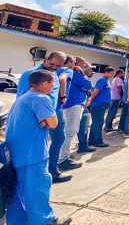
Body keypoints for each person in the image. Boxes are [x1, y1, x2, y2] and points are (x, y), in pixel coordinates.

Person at [6, 70, 71, 225]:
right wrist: (46, 121)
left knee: (18, 191)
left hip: (17, 152)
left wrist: (45, 121)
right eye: (52, 84)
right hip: (33, 153)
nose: (52, 88)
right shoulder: (41, 98)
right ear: (44, 83)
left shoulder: (22, 98)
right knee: (37, 188)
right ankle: (45, 221)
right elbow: (54, 123)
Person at [16, 51, 69, 183]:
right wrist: (38, 118)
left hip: (54, 112)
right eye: (52, 64)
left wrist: (62, 97)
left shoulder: (54, 74)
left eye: (58, 66)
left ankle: (52, 170)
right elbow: (23, 99)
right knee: (37, 147)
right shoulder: (32, 74)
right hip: (40, 116)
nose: (54, 67)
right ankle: (34, 176)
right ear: (46, 59)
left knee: (59, 138)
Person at [59, 61, 94, 169]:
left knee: (65, 132)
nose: (91, 71)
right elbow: (88, 85)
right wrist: (83, 75)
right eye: (89, 68)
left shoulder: (63, 71)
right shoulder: (76, 73)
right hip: (74, 105)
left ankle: (62, 155)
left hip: (68, 105)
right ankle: (62, 159)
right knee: (69, 132)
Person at [86, 67, 114, 147]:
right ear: (106, 72)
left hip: (102, 105)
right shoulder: (102, 80)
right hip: (98, 105)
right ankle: (98, 141)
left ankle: (91, 140)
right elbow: (95, 92)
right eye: (111, 73)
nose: (112, 75)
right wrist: (90, 101)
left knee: (96, 123)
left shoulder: (106, 81)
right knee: (98, 123)